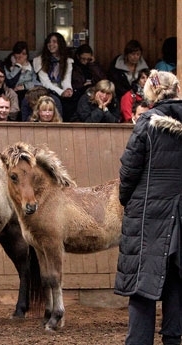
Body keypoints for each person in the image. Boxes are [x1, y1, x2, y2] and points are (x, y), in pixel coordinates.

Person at [115, 70, 182, 345]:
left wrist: (126, 199)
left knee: (143, 284)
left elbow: (129, 171)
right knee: (177, 282)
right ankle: (173, 339)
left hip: (148, 216)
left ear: (152, 93)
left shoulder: (146, 123)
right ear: (176, 90)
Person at [33, 32, 77, 122]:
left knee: (72, 100)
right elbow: (45, 82)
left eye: (54, 42)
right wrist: (61, 92)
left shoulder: (67, 61)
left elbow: (66, 79)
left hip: (61, 89)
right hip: (46, 90)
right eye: (49, 42)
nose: (51, 44)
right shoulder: (39, 60)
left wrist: (68, 89)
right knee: (56, 100)